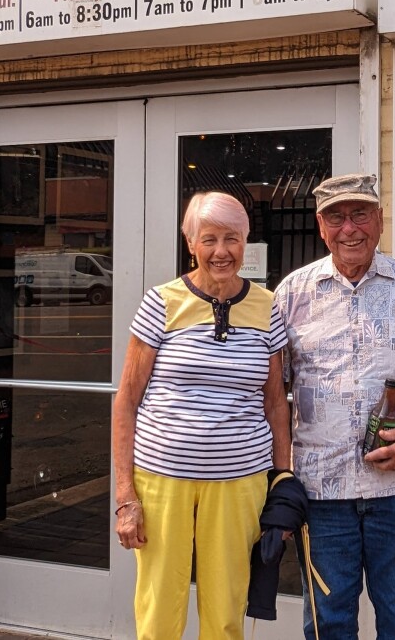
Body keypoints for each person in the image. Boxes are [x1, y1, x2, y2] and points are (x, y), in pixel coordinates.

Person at [273, 173, 395, 640]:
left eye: (360, 214)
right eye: (336, 217)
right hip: (321, 494)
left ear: (379, 219)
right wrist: (279, 478)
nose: (349, 229)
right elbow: (271, 396)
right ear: (320, 227)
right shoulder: (291, 295)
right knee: (328, 625)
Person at [112, 191, 291, 640]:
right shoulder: (162, 302)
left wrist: (284, 482)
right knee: (159, 608)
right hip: (162, 479)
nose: (221, 251)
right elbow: (127, 400)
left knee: (227, 607)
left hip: (239, 481)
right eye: (208, 238)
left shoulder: (269, 307)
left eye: (232, 238)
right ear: (190, 243)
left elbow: (275, 402)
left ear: (246, 242)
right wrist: (125, 497)